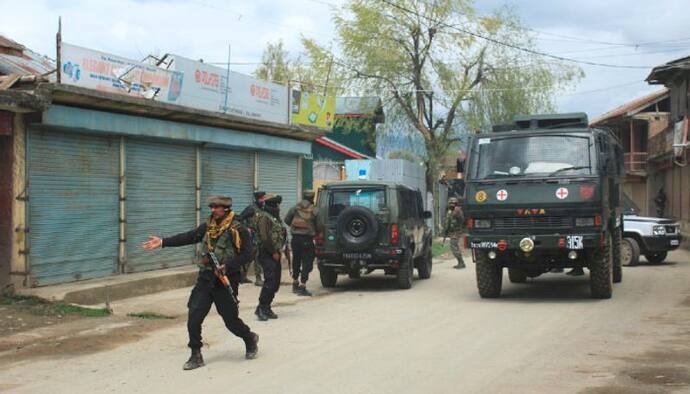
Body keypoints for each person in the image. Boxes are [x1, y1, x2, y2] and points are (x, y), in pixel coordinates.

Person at [142, 195, 259, 370]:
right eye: (211, 207)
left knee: (231, 321)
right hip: (205, 279)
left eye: (216, 207)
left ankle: (249, 338)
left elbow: (248, 254)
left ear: (226, 209)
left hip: (225, 281)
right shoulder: (208, 227)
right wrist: (163, 242)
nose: (213, 210)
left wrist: (227, 266)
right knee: (194, 316)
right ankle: (195, 354)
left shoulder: (238, 229)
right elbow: (189, 237)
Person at [255, 194, 287, 321]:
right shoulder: (264, 217)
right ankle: (261, 308)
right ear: (271, 206)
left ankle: (267, 306)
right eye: (276, 205)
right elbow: (264, 237)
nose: (278, 208)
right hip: (266, 252)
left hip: (276, 252)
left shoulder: (275, 218)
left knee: (276, 282)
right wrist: (273, 251)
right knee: (270, 280)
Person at [284, 190, 318, 296]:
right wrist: (314, 231)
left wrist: (296, 228)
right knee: (308, 262)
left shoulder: (295, 208)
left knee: (296, 260)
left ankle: (295, 283)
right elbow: (320, 225)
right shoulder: (315, 210)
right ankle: (303, 285)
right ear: (312, 198)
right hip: (307, 240)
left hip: (295, 239)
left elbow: (286, 220)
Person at [239, 191, 266, 286]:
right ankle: (258, 279)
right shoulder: (251, 209)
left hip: (259, 237)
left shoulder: (262, 209)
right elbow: (239, 218)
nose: (263, 200)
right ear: (257, 199)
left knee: (252, 257)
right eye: (261, 199)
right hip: (251, 237)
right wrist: (246, 228)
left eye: (263, 198)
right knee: (255, 257)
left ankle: (242, 276)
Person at [443, 197, 466, 269]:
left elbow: (460, 220)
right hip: (453, 231)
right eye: (451, 203)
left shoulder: (457, 211)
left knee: (454, 247)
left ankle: (461, 262)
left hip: (456, 232)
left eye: (453, 203)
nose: (452, 205)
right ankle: (460, 262)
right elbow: (448, 222)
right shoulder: (451, 211)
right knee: (454, 247)